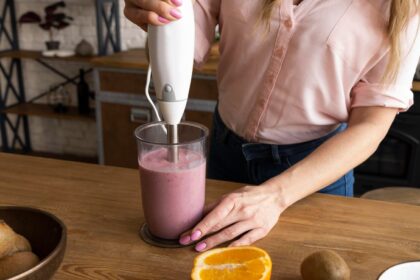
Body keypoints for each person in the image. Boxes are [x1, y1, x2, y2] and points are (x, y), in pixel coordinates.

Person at [124, 0, 420, 252]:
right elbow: (180, 45)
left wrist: (276, 196)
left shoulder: (401, 8)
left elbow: (371, 126)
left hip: (314, 175)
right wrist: (157, 21)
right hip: (224, 154)